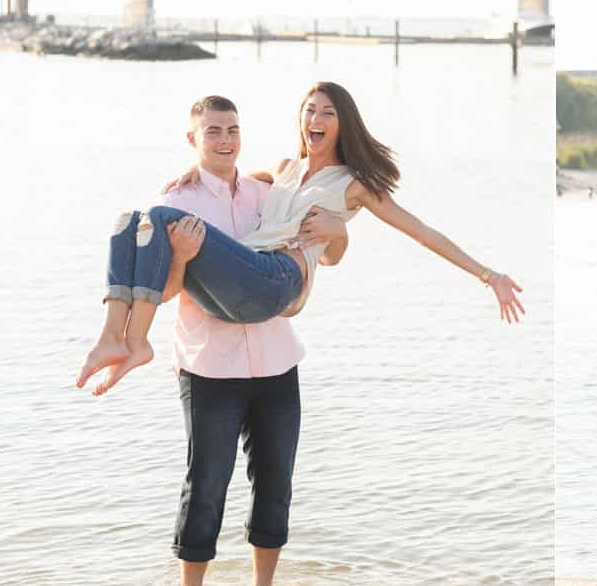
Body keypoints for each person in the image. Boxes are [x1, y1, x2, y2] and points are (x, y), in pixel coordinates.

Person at [77, 83, 525, 398]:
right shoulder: (282, 168)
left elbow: (421, 231)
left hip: (277, 278)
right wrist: (196, 168)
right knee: (130, 223)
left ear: (342, 125)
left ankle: (134, 341)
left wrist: (490, 275)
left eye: (327, 112)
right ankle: (117, 338)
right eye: (310, 110)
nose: (316, 118)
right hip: (240, 288)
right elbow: (226, 178)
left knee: (156, 215)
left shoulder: (354, 183)